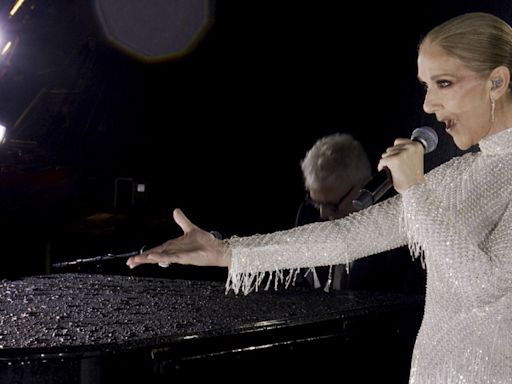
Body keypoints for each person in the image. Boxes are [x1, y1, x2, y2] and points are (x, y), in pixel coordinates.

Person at [127, 12, 512, 383]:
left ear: (497, 81)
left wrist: (414, 189)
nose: (428, 105)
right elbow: (346, 237)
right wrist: (226, 252)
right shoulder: (455, 176)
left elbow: (483, 286)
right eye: (425, 86)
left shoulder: (436, 188)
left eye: (443, 83)